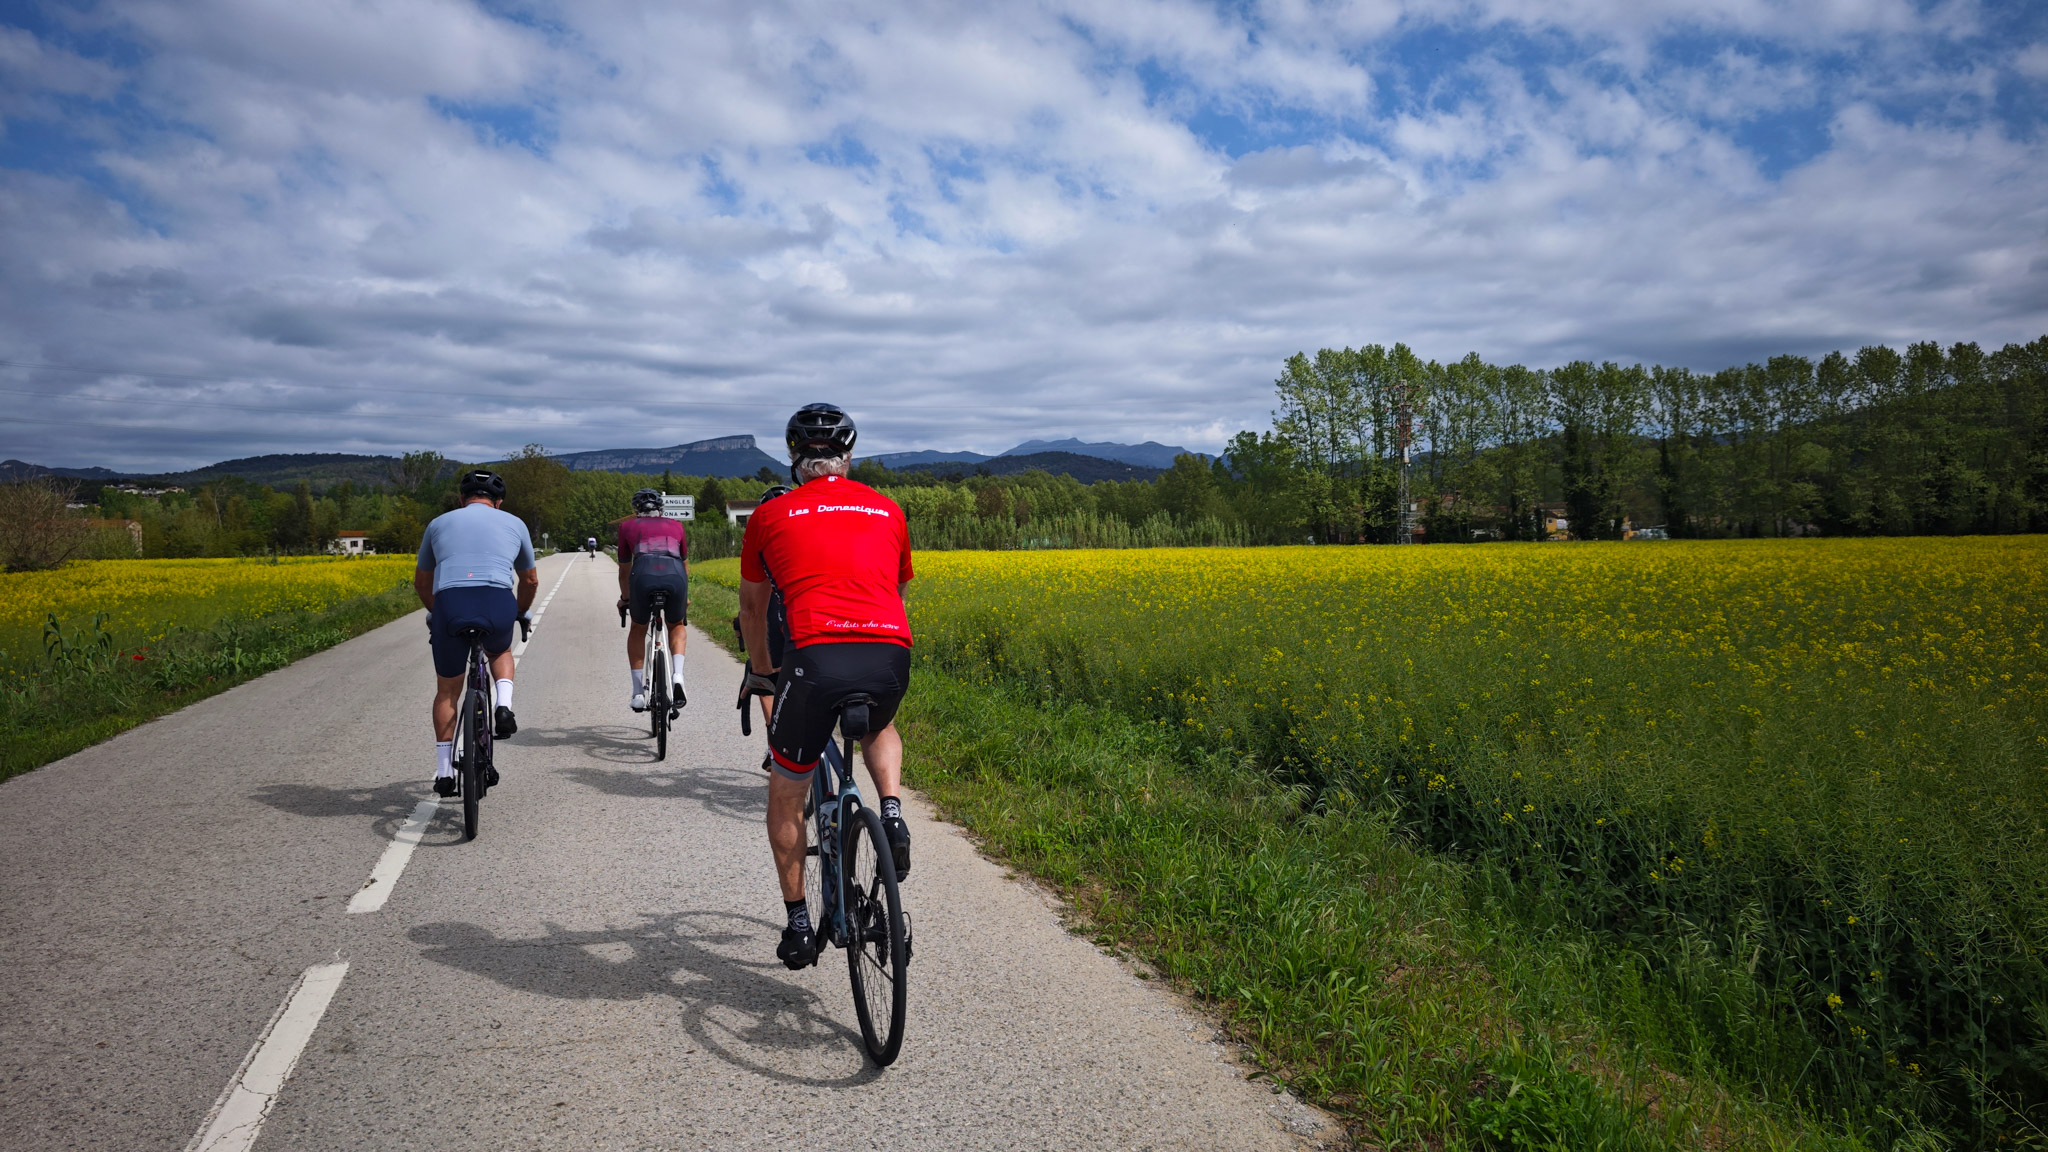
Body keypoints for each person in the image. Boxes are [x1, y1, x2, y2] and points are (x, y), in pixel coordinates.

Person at [737, 404, 914, 971]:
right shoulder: (888, 508)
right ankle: (891, 810)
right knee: (881, 724)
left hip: (815, 658)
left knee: (787, 792)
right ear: (849, 456)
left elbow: (752, 609)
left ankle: (798, 926)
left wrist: (764, 671)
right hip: (889, 651)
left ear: (794, 458)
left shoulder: (769, 514)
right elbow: (896, 591)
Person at [414, 470, 538, 798]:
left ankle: (444, 773)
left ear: (461, 500)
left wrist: (437, 612)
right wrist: (520, 612)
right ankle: (504, 707)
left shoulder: (437, 523)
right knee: (499, 651)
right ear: (498, 502)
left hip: (450, 603)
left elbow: (422, 583)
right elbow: (530, 580)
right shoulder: (515, 523)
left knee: (447, 692)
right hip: (496, 601)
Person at [617, 487, 689, 712]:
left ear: (636, 510)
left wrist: (625, 599)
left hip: (643, 576)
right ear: (661, 509)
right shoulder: (677, 525)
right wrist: (685, 597)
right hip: (675, 576)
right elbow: (685, 565)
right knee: (676, 625)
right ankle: (678, 676)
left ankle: (638, 692)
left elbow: (624, 570)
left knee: (638, 629)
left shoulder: (626, 527)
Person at [733, 484, 792, 747]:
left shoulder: (763, 530)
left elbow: (752, 605)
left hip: (772, 618)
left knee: (767, 679)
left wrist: (740, 624)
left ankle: (774, 742)